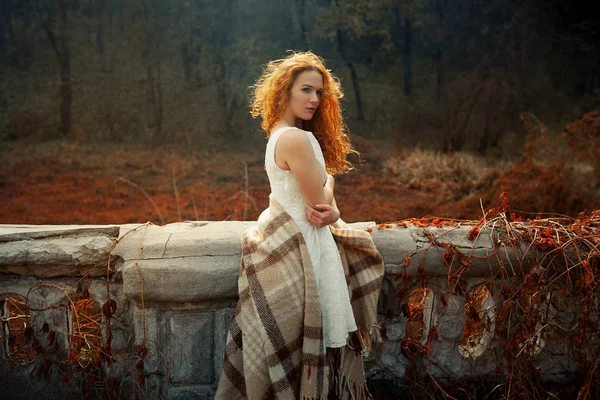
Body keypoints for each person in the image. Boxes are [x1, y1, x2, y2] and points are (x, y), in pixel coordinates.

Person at [216, 51, 384, 400]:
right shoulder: (296, 139)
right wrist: (333, 201)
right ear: (285, 92)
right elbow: (320, 204)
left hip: (303, 240)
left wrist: (329, 195)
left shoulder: (280, 135)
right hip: (306, 248)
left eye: (319, 92)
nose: (314, 99)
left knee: (304, 356)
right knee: (312, 354)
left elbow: (320, 195)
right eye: (306, 90)